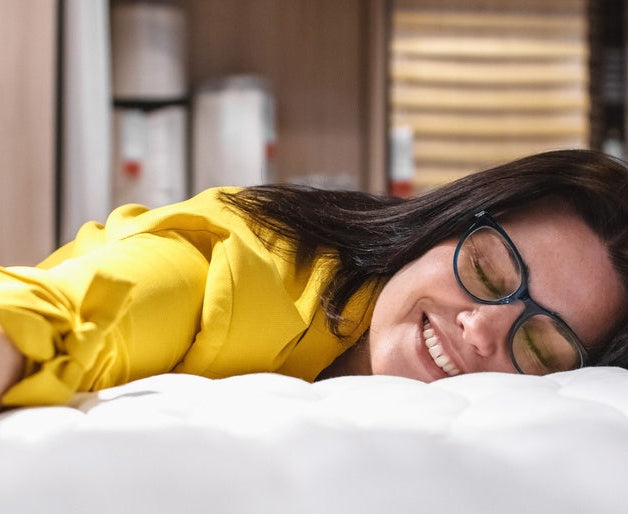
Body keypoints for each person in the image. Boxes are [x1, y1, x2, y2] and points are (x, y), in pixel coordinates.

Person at [0, 149, 627, 406]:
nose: (482, 328)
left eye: (540, 346)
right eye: (486, 272)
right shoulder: (258, 263)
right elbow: (107, 304)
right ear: (445, 223)